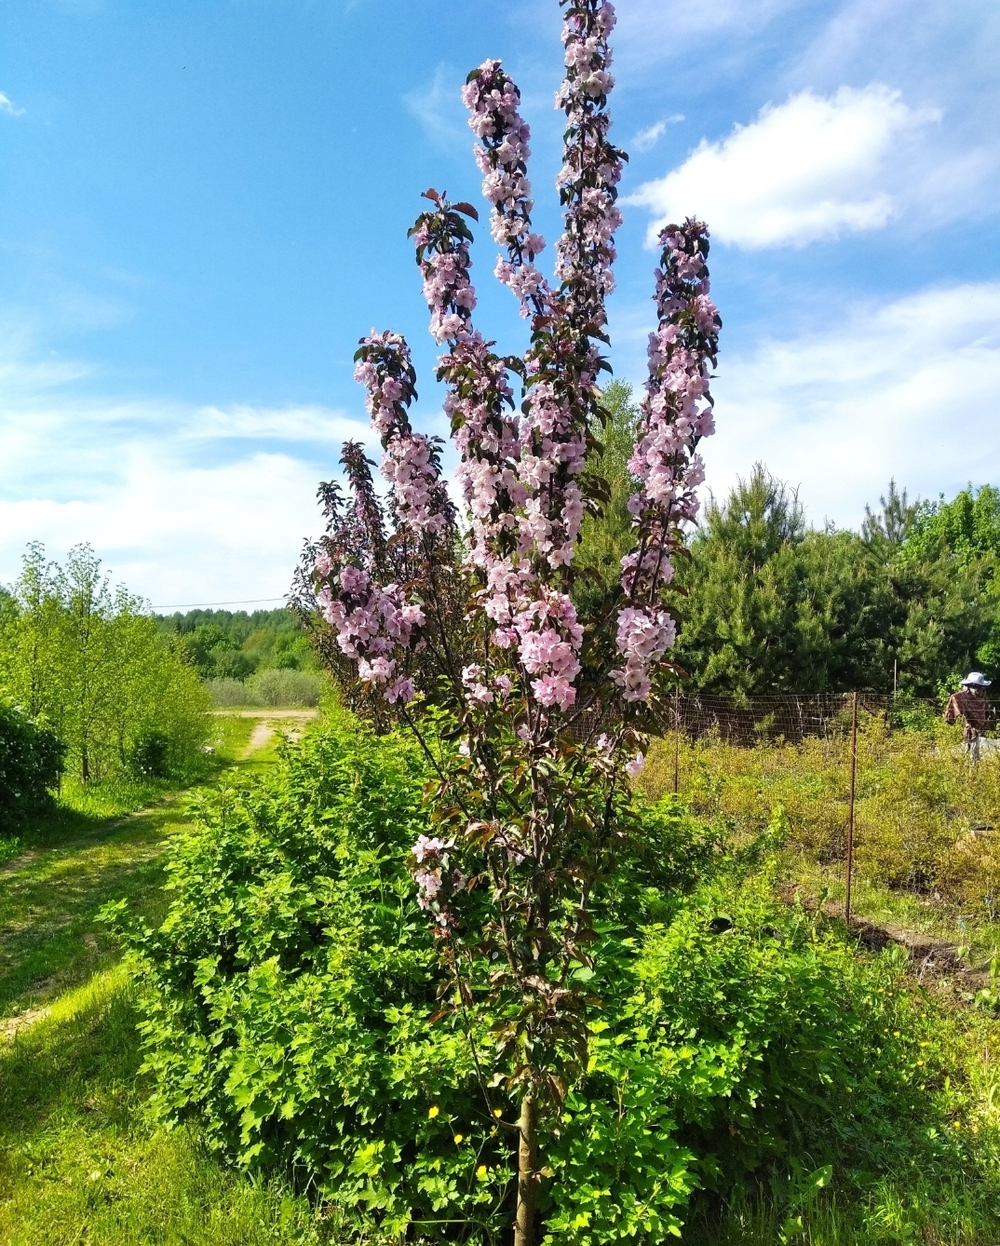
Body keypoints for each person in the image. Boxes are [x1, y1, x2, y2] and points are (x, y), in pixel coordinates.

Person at [945, 672, 993, 761]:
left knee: (975, 753)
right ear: (969, 686)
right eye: (973, 686)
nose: (976, 689)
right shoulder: (963, 697)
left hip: (979, 729)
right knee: (970, 752)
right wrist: (950, 718)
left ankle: (973, 768)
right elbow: (954, 698)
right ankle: (969, 768)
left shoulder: (982, 697)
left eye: (978, 686)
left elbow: (986, 710)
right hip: (970, 729)